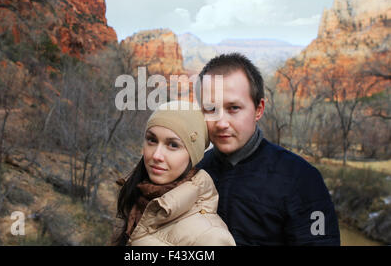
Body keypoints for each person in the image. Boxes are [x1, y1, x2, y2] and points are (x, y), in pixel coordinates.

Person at [196, 53, 341, 246]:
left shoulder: (302, 179)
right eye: (211, 109)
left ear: (258, 109)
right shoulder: (195, 170)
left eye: (233, 108)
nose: (221, 123)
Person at [112, 101, 236, 246]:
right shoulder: (136, 203)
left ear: (192, 156)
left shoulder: (211, 237)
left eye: (173, 145)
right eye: (152, 140)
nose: (157, 155)